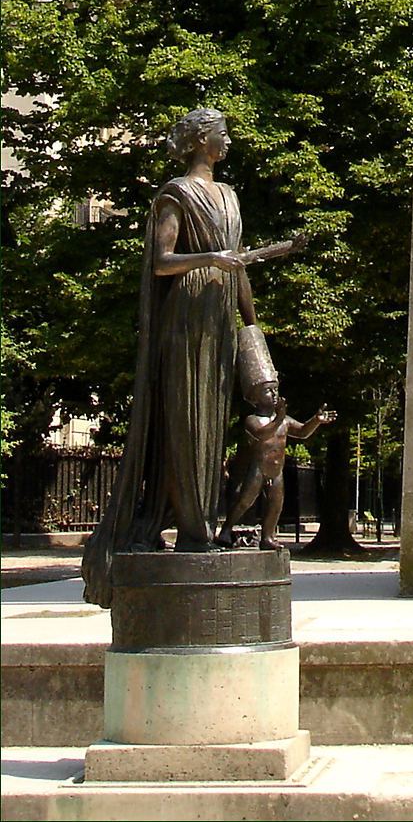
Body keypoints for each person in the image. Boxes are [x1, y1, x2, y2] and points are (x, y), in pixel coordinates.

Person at [82, 108, 304, 607]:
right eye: (223, 133)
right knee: (187, 423)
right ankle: (192, 528)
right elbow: (162, 262)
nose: (228, 140)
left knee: (213, 423)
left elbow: (239, 267)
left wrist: (252, 325)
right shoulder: (175, 194)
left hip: (219, 315)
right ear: (203, 139)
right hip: (186, 317)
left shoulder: (229, 196)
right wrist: (211, 259)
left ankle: (207, 524)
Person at [215, 326, 337, 550]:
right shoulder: (253, 420)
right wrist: (279, 417)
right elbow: (262, 434)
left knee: (276, 504)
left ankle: (267, 537)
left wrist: (316, 420)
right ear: (254, 396)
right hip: (259, 468)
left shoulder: (284, 420)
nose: (273, 395)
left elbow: (301, 432)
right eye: (267, 391)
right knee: (245, 500)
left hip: (277, 469)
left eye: (275, 390)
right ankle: (226, 529)